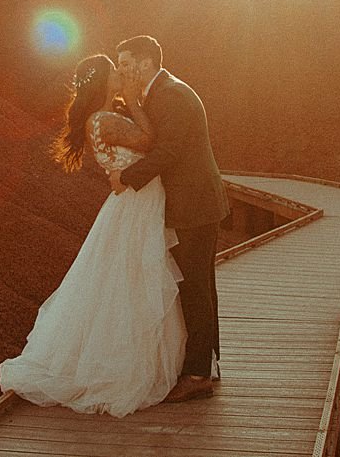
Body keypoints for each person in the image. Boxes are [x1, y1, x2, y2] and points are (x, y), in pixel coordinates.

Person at [0, 54, 187, 415]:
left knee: (124, 279)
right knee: (132, 279)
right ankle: (123, 366)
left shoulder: (102, 118)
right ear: (103, 82)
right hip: (135, 204)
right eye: (115, 71)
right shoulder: (104, 119)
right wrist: (133, 98)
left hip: (133, 201)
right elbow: (148, 142)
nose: (121, 74)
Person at [110, 34, 229, 404]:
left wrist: (126, 178)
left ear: (145, 63)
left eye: (127, 63)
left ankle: (196, 376)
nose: (123, 70)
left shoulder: (171, 95)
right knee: (198, 285)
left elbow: (169, 151)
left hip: (194, 205)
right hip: (194, 203)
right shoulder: (160, 92)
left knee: (194, 287)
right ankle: (204, 363)